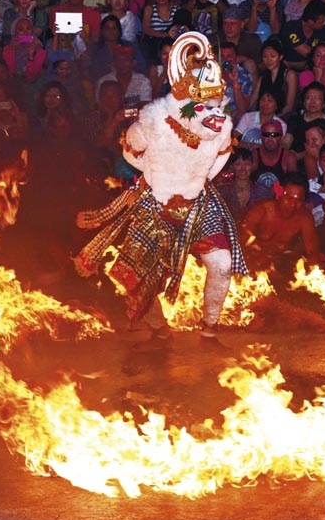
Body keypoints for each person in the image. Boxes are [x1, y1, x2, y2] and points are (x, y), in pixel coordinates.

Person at [75, 32, 245, 338]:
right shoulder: (153, 121)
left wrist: (198, 178)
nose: (212, 108)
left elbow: (222, 154)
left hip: (197, 204)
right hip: (156, 205)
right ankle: (157, 326)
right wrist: (158, 175)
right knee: (143, 276)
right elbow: (130, 152)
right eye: (203, 101)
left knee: (221, 264)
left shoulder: (221, 127)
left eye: (214, 100)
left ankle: (209, 328)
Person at [240, 173, 321, 271]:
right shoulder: (261, 209)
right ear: (279, 194)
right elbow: (242, 237)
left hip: (283, 265)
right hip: (253, 262)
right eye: (289, 198)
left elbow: (312, 251)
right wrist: (258, 252)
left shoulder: (305, 218)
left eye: (298, 200)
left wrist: (313, 273)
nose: (293, 204)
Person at [216, 148, 274, 221]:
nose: (243, 168)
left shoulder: (262, 191)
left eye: (247, 164)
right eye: (238, 164)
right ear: (232, 166)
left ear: (252, 166)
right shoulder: (223, 191)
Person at [279, 0, 325, 71]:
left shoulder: (323, 31)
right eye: (321, 22)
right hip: (286, 71)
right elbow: (307, 52)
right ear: (310, 21)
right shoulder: (290, 27)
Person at [94, 43, 151, 109]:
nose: (122, 63)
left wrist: (126, 114)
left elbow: (145, 105)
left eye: (126, 60)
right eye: (118, 60)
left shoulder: (143, 81)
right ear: (114, 63)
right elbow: (100, 105)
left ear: (134, 62)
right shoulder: (103, 81)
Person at [253, 38, 298, 120]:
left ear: (280, 57)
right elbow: (253, 100)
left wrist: (273, 118)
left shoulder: (289, 75)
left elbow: (289, 106)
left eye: (272, 56)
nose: (268, 60)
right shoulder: (263, 77)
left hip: (283, 116)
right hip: (263, 116)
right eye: (265, 57)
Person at [250, 119, 298, 189]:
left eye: (274, 135)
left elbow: (295, 184)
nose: (270, 139)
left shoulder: (288, 157)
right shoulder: (254, 154)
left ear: (281, 138)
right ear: (261, 137)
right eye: (266, 134)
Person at [219, 41, 253, 123]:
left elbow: (242, 108)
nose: (225, 60)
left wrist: (235, 82)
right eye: (222, 56)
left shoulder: (244, 76)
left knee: (241, 115)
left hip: (232, 113)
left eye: (229, 56)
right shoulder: (211, 72)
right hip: (212, 109)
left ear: (236, 58)